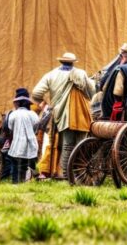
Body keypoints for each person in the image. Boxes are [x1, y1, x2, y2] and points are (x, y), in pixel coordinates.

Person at [32, 52, 96, 180]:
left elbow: (36, 93)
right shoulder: (80, 73)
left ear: (61, 61)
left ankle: (67, 175)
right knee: (80, 145)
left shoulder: (51, 74)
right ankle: (78, 175)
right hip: (81, 114)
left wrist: (46, 106)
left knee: (66, 146)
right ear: (73, 62)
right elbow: (92, 91)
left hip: (60, 114)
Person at [6, 88, 39, 183]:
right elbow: (36, 128)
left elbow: (10, 128)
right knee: (28, 164)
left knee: (15, 165)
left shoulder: (13, 115)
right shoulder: (33, 115)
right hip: (31, 146)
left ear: (18, 103)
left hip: (17, 146)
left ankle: (15, 182)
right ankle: (32, 177)